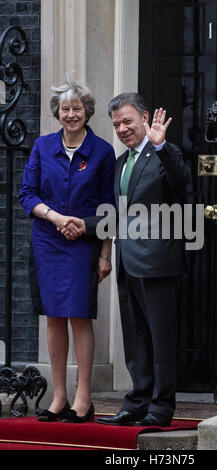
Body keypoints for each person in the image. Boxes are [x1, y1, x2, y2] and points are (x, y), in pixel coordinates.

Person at [62, 93, 191, 427]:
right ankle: (137, 402)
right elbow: (117, 215)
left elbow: (183, 185)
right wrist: (83, 224)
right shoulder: (122, 163)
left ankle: (160, 408)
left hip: (158, 263)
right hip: (128, 263)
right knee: (135, 341)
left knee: (161, 340)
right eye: (116, 124)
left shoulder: (163, 153)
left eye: (127, 121)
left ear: (145, 119)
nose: (121, 129)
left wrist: (161, 146)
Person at [19, 77, 115, 423]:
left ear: (86, 112)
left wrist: (105, 252)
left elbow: (109, 207)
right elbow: (27, 195)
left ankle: (83, 398)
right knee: (54, 315)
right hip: (47, 240)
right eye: (65, 109)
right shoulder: (42, 147)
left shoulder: (103, 151)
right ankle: (59, 397)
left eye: (77, 108)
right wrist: (58, 218)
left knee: (79, 314)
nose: (71, 114)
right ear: (56, 113)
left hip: (83, 244)